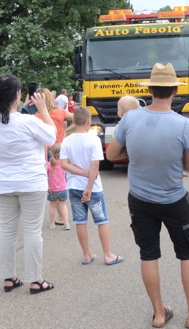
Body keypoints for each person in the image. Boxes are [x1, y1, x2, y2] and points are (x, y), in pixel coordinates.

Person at [106, 63, 189, 329]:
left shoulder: (130, 119)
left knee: (148, 254)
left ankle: (159, 314)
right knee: (188, 253)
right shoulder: (184, 125)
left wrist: (137, 156)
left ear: (150, 90)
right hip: (174, 199)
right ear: (175, 91)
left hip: (140, 199)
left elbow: (112, 155)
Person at [0, 75, 56, 295]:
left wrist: (24, 108)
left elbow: (6, 125)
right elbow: (51, 137)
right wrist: (43, 109)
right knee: (32, 230)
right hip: (31, 181)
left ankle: (9, 277)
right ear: (17, 95)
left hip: (4, 182)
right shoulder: (28, 121)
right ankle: (36, 280)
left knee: (7, 229)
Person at [60, 106, 123, 267]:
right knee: (102, 220)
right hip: (93, 188)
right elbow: (95, 166)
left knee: (80, 221)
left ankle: (86, 254)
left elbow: (64, 164)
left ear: (74, 122)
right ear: (89, 121)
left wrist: (81, 173)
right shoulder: (93, 140)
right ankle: (108, 255)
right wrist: (88, 184)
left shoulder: (67, 141)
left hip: (74, 186)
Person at [46, 143, 70, 230]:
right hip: (63, 188)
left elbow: (43, 175)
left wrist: (46, 185)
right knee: (63, 206)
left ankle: (52, 224)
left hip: (52, 189)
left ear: (52, 152)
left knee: (52, 206)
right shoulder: (64, 164)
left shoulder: (48, 164)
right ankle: (66, 223)